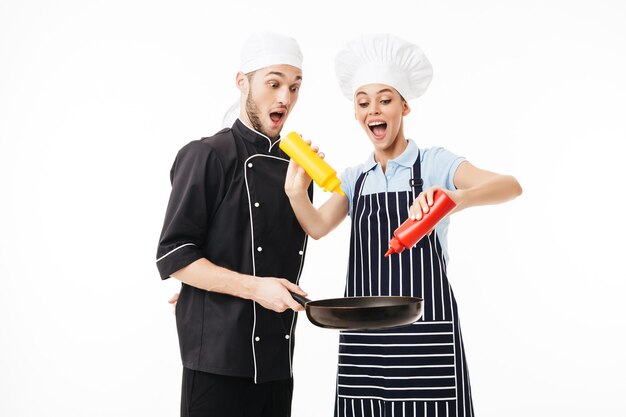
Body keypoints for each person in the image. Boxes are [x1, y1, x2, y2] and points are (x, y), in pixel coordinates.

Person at [284, 33, 522, 416]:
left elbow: (509, 186)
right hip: (366, 340)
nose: (373, 110)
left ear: (404, 107)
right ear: (357, 113)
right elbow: (317, 226)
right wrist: (297, 193)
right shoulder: (354, 178)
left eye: (385, 99)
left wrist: (453, 199)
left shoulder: (433, 164)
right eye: (363, 103)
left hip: (424, 336)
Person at [156, 32, 312, 417]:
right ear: (242, 82)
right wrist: (253, 288)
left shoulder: (296, 170)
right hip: (217, 361)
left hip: (277, 361)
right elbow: (175, 256)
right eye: (273, 83)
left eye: (294, 87)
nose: (285, 99)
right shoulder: (206, 154)